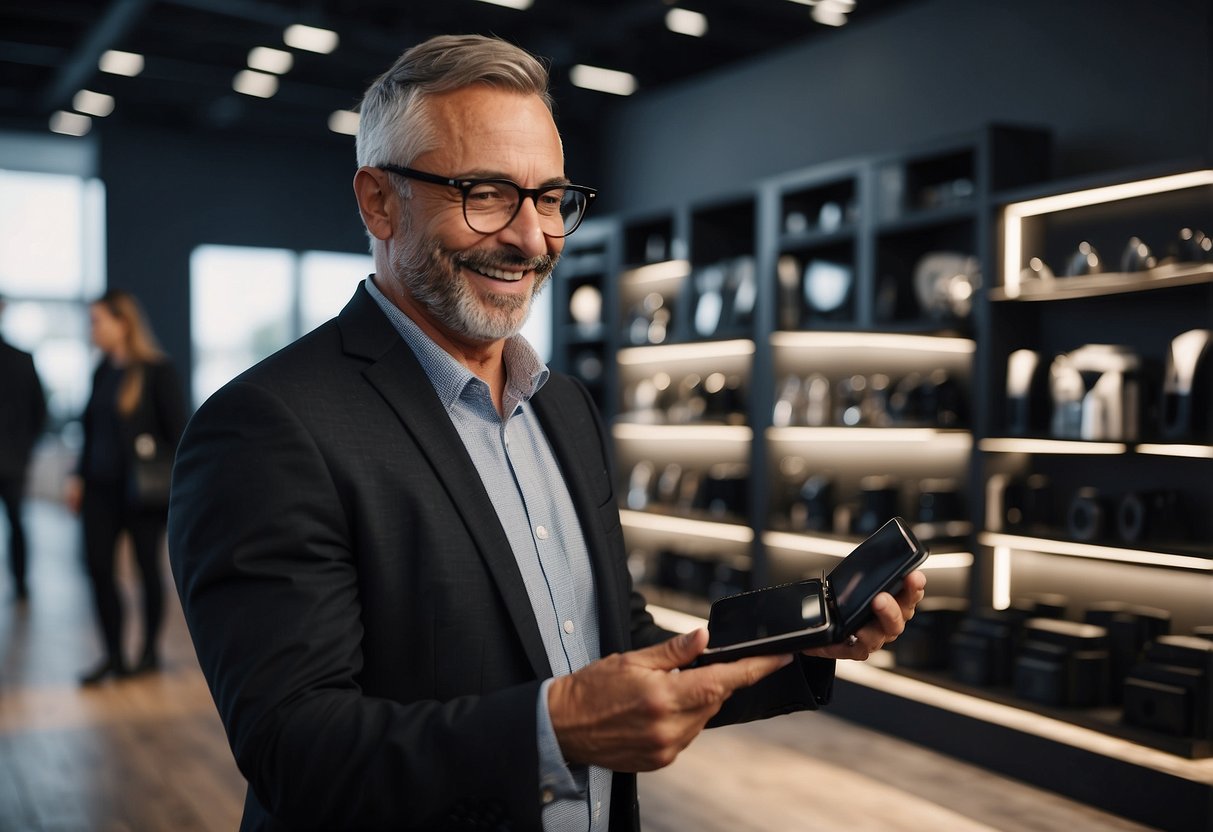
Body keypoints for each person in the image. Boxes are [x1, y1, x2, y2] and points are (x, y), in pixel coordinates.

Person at [169, 34, 926, 832]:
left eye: (551, 198)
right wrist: (553, 728)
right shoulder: (265, 426)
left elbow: (615, 643)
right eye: (486, 193)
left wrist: (800, 643)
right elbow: (295, 748)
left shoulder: (562, 406)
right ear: (378, 201)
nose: (532, 239)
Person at [67, 289, 187, 684]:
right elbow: (89, 433)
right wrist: (78, 477)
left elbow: (179, 434)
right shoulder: (102, 370)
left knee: (146, 571)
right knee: (99, 570)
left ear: (123, 323)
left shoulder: (157, 371)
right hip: (99, 489)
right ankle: (115, 656)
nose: (93, 329)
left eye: (98, 320)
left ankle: (149, 653)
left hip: (142, 492)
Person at [0, 296, 47, 601]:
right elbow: (41, 412)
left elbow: (40, 411)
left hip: (13, 459)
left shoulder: (21, 358)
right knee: (17, 521)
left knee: (17, 521)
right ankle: (20, 584)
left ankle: (21, 583)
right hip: (15, 458)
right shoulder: (22, 358)